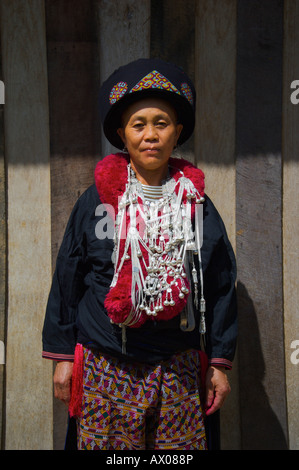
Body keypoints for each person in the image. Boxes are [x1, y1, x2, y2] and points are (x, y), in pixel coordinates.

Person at [42, 58, 237, 451]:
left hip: (178, 367)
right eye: (139, 124)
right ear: (122, 134)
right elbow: (68, 279)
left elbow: (220, 287)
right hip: (104, 363)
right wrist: (62, 357)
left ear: (177, 132)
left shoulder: (197, 206)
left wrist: (218, 362)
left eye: (161, 124)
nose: (151, 135)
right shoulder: (96, 202)